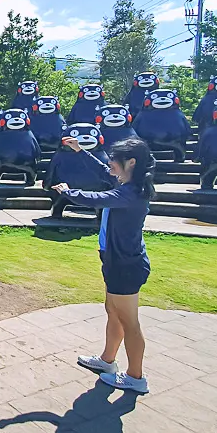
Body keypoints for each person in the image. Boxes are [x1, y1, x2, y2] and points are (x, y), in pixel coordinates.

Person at [52, 136, 156, 394]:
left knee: (129, 321)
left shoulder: (130, 193)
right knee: (113, 311)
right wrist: (80, 151)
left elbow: (94, 198)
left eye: (115, 160)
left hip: (126, 266)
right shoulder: (127, 183)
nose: (110, 163)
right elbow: (103, 170)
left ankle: (135, 377)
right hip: (115, 262)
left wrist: (67, 192)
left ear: (130, 162)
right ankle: (107, 361)